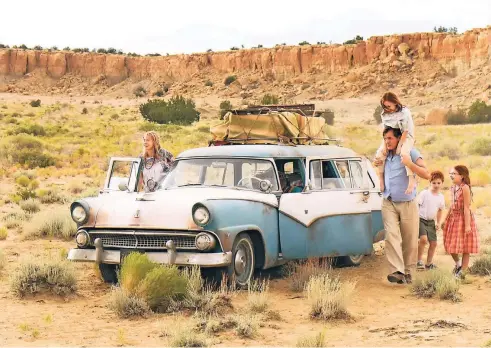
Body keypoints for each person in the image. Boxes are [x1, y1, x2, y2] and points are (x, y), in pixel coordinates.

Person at [374, 126, 430, 284]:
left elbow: (427, 174)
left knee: (410, 238)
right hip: (388, 201)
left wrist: (410, 164)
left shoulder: (410, 152)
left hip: (407, 202)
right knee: (391, 235)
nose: (387, 141)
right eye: (385, 139)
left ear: (399, 138)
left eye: (390, 138)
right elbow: (377, 165)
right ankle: (397, 271)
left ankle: (408, 271)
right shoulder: (385, 154)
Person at [375, 92, 416, 195]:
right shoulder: (385, 114)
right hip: (391, 136)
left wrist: (400, 145)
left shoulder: (404, 112)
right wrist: (385, 144)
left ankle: (411, 181)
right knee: (380, 154)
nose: (387, 108)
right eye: (385, 106)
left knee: (404, 153)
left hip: (405, 136)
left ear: (395, 103)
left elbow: (405, 131)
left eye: (389, 106)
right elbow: (385, 130)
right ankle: (381, 179)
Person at [443, 165, 479, 279]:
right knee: (450, 245)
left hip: (464, 219)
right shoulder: (453, 188)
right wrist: (445, 219)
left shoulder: (465, 188)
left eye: (454, 174)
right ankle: (458, 265)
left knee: (465, 246)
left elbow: (467, 208)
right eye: (451, 173)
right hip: (453, 218)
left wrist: (467, 225)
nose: (451, 176)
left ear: (462, 176)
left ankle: (463, 271)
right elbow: (451, 205)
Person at [416, 170, 446, 271]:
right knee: (423, 240)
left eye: (438, 183)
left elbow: (440, 210)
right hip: (421, 219)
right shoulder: (425, 193)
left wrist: (438, 222)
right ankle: (418, 261)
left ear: (442, 183)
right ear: (430, 183)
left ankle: (428, 264)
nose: (436, 185)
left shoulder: (441, 197)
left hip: (431, 222)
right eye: (434, 183)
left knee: (433, 243)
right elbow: (417, 205)